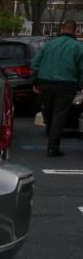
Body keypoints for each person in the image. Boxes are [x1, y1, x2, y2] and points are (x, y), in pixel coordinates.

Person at [31, 20, 83, 157]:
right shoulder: (78, 47)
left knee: (48, 109)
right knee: (59, 114)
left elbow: (35, 63)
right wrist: (80, 85)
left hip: (46, 83)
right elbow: (82, 69)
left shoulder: (48, 45)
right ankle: (53, 146)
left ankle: (49, 130)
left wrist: (35, 79)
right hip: (67, 84)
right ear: (74, 31)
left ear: (62, 29)